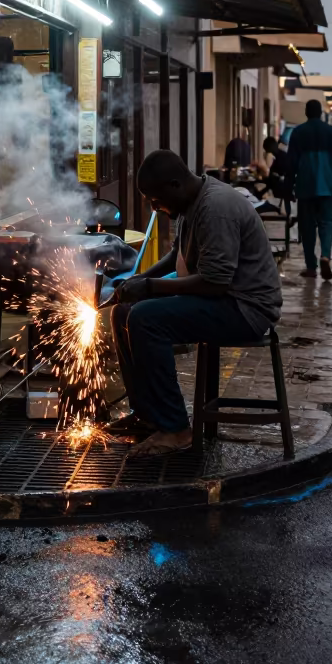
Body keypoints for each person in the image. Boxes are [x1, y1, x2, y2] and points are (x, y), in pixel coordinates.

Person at [107, 149, 283, 455]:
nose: (154, 206)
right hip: (224, 299)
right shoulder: (191, 203)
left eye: (155, 199)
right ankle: (149, 415)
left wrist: (149, 287)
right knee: (123, 313)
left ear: (174, 185)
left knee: (145, 318)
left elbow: (215, 283)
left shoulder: (215, 208)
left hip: (245, 309)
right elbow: (178, 255)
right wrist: (138, 280)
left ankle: (176, 429)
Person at [285, 100, 332, 280]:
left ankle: (311, 267)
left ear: (306, 112)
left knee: (307, 226)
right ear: (320, 113)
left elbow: (291, 164)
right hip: (327, 186)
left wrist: (288, 188)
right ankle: (325, 255)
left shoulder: (298, 133)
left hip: (305, 186)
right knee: (327, 222)